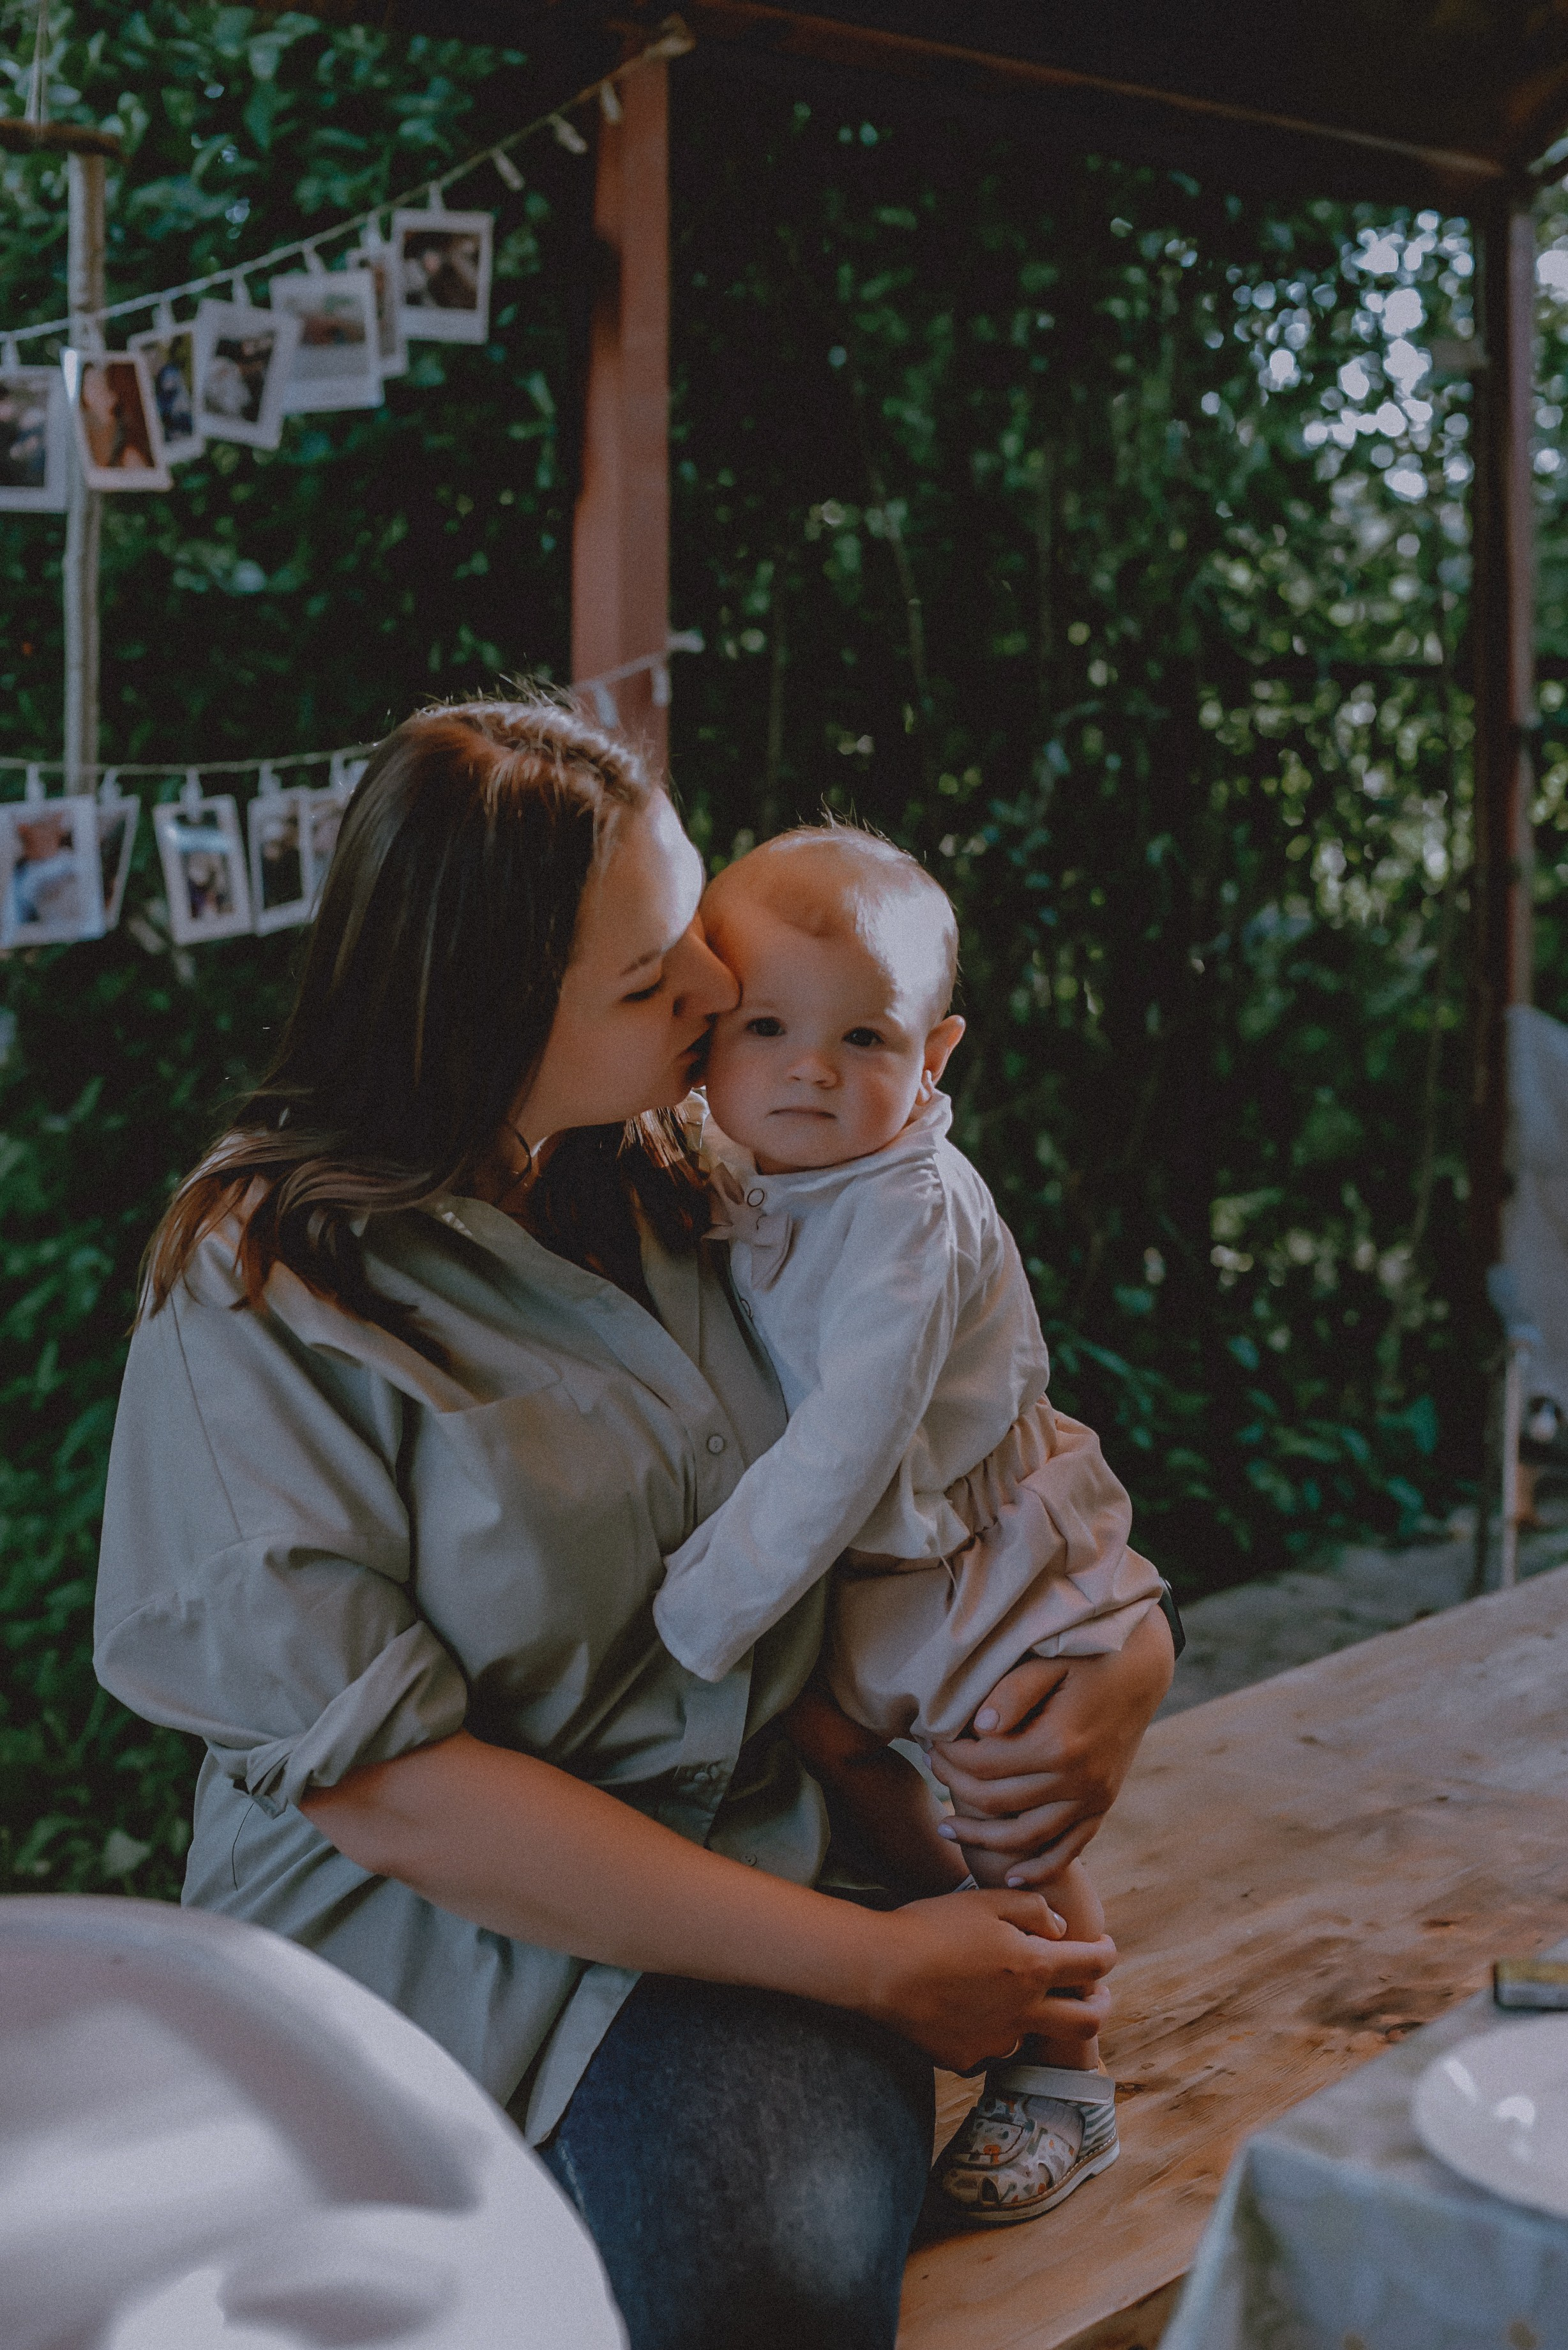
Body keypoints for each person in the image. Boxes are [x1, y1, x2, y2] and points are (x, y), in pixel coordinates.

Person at [93, 699, 1173, 2350]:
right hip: (414, 1940)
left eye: (694, 939)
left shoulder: (720, 1170)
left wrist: (1125, 1647)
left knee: (754, 2295)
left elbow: (954, 1410)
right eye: (651, 976)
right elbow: (393, 1792)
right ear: (482, 1012)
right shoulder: (266, 1285)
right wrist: (872, 1968)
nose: (718, 990)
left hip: (755, 1871)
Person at [654, 824, 1164, 2225]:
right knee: (837, 1750)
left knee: (1007, 1794)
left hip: (968, 1552)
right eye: (767, 1028)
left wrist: (694, 1615)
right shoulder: (733, 1153)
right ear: (705, 1040)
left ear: (933, 1057)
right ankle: (978, 1943)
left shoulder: (909, 1212)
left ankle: (1065, 2069)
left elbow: (844, 1446)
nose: (810, 1071)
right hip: (871, 1560)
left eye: (863, 1038)